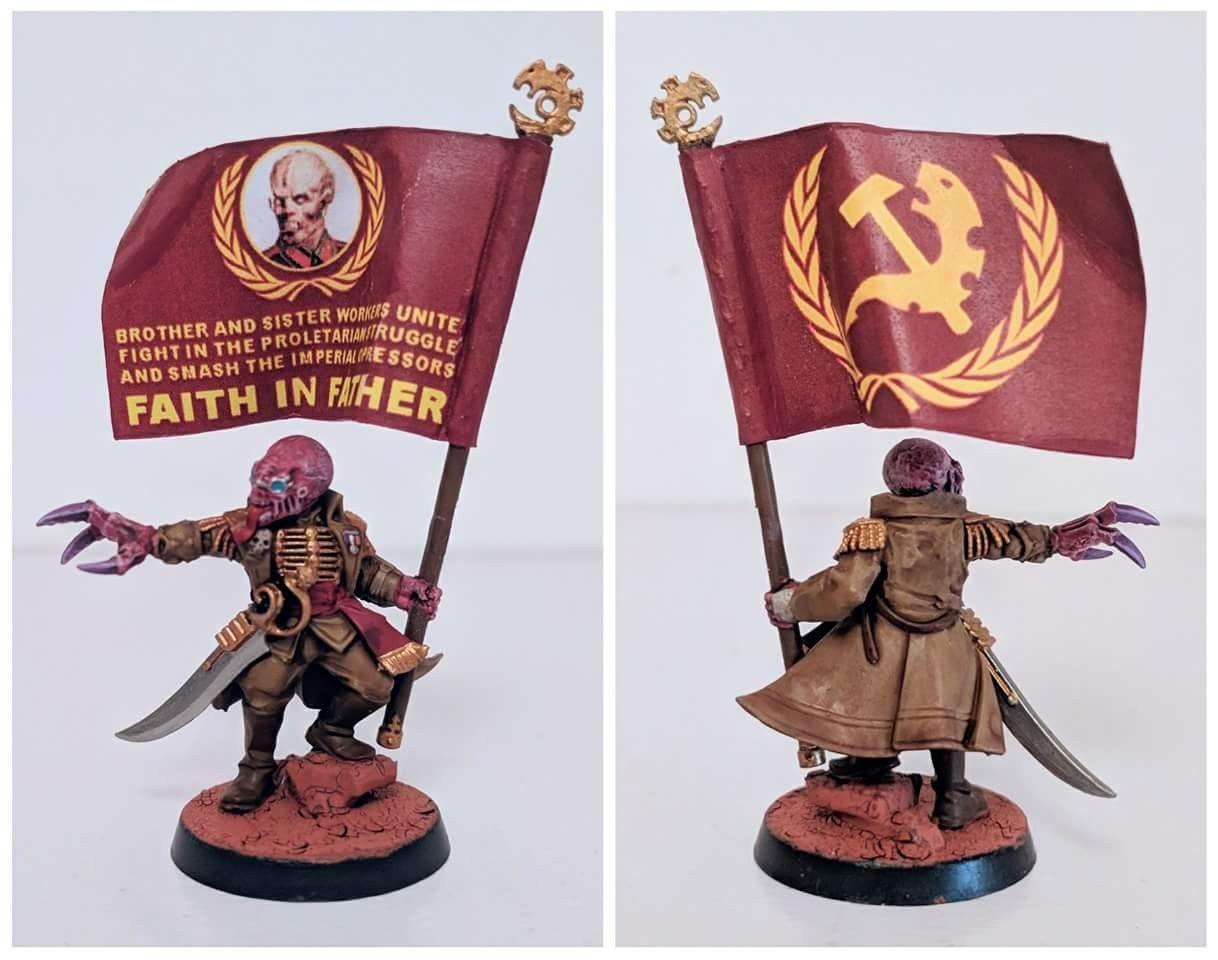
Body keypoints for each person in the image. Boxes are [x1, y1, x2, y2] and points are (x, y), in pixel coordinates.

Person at [739, 437, 1156, 829]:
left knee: (872, 697)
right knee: (944, 715)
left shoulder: (875, 532)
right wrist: (1058, 539)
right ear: (944, 479)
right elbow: (1014, 538)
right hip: (945, 644)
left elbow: (845, 589)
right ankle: (943, 791)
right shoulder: (965, 529)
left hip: (880, 642)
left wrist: (791, 603)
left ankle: (883, 768)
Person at [38, 436, 440, 813]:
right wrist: (143, 537)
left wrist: (404, 588)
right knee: (263, 692)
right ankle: (256, 769)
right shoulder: (249, 530)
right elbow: (196, 536)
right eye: (259, 478)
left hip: (337, 625)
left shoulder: (347, 529)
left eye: (278, 485)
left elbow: (367, 572)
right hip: (279, 629)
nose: (261, 493)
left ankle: (332, 730)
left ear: (309, 488)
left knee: (376, 686)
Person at [261, 149, 348, 269]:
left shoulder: (351, 255)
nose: (287, 210)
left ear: (324, 200)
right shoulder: (261, 264)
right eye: (280, 200)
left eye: (300, 199)